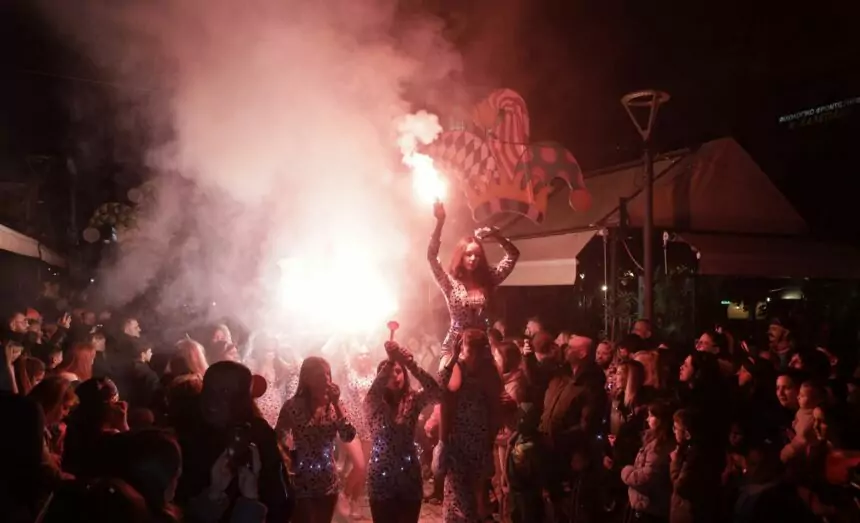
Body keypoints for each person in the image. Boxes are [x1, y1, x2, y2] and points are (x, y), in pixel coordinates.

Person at [364, 341, 442, 523]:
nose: (395, 376)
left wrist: (411, 364)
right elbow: (373, 394)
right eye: (389, 373)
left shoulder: (413, 399)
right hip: (381, 476)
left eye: (398, 371)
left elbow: (437, 394)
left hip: (409, 475)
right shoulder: (374, 404)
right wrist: (391, 361)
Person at [428, 201, 519, 352]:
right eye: (468, 254)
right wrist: (440, 222)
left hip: (481, 344)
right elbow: (432, 257)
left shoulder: (489, 279)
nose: (473, 259)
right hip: (455, 344)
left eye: (477, 255)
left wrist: (497, 236)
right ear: (461, 256)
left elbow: (513, 255)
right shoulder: (450, 283)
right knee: (446, 368)